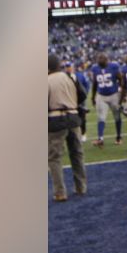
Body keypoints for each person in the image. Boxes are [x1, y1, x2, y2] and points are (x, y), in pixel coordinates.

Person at [47, 54, 86, 201]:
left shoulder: (46, 80)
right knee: (77, 154)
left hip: (55, 119)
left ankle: (60, 192)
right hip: (73, 117)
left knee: (55, 158)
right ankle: (81, 187)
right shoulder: (70, 77)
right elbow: (82, 95)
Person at [88, 52, 123, 147]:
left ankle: (119, 137)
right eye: (98, 59)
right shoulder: (95, 68)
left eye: (102, 59)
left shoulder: (114, 66)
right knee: (101, 117)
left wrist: (122, 92)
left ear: (107, 59)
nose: (99, 60)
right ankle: (100, 139)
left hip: (114, 94)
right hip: (101, 95)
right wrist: (93, 97)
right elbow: (95, 83)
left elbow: (121, 79)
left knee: (117, 116)